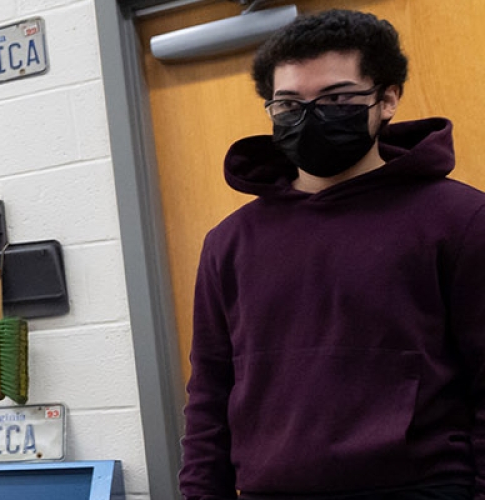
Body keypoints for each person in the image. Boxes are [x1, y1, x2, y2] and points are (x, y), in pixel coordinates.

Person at [181, 10, 485, 500]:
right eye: (288, 103)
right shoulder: (229, 242)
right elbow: (210, 397)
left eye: (337, 98)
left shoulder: (461, 219)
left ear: (387, 99)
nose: (310, 115)